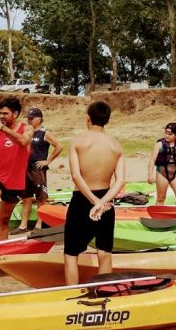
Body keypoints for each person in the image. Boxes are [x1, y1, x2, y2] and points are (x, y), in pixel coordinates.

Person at [64, 102, 126, 286]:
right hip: (106, 201)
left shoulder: (78, 141)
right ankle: (105, 293)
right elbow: (120, 180)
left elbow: (76, 175)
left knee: (71, 254)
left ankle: (72, 296)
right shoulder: (116, 146)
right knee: (105, 252)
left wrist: (94, 201)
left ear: (87, 118)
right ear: (107, 120)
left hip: (83, 199)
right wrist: (102, 202)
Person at [0, 97, 33, 243]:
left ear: (15, 114)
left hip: (15, 181)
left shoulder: (27, 128)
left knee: (4, 220)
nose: (1, 117)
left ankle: (1, 249)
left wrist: (2, 128)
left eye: (5, 113)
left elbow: (24, 141)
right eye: (0, 113)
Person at [19, 107, 62, 231]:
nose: (29, 120)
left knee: (41, 199)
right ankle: (23, 226)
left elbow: (59, 146)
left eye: (32, 118)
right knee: (26, 198)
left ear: (39, 119)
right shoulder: (27, 132)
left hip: (38, 171)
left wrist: (48, 161)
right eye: (28, 118)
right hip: (26, 169)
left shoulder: (44, 133)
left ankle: (39, 225)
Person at [147, 122, 176, 205]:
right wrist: (150, 175)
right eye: (166, 133)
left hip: (175, 174)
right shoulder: (159, 144)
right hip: (162, 173)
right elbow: (152, 160)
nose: (167, 136)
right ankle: (158, 217)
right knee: (161, 198)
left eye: (170, 134)